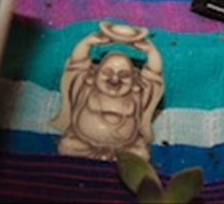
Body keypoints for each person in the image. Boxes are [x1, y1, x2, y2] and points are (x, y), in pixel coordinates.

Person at [51, 23, 165, 161]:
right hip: (84, 142)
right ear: (94, 75)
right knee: (67, 146)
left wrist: (151, 52)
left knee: (141, 155)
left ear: (133, 80)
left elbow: (153, 77)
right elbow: (77, 66)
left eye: (124, 75)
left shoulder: (136, 95)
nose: (115, 80)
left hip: (124, 146)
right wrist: (87, 43)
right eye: (107, 73)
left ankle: (120, 156)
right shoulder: (87, 88)